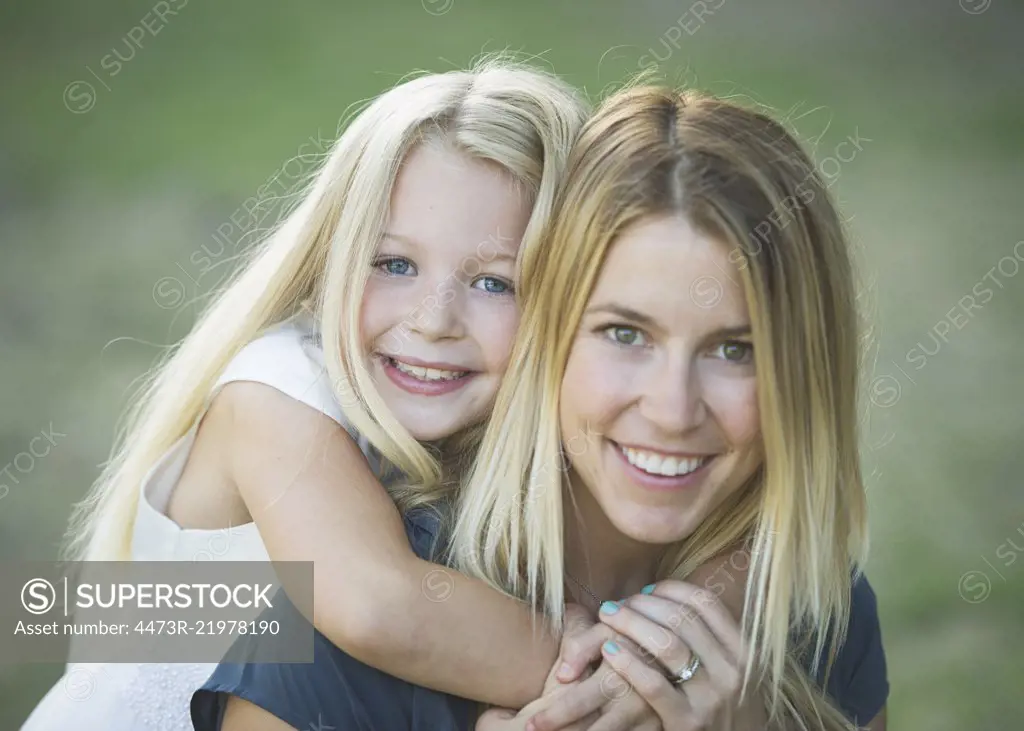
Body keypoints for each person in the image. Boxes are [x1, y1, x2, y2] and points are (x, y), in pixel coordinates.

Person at [193, 84, 887, 731]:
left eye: (737, 349)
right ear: (546, 332)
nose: (674, 410)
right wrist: (597, 673)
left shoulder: (815, 607)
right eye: (624, 333)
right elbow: (106, 610)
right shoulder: (336, 601)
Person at [20, 57, 588, 731]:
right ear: (332, 262)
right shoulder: (276, 391)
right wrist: (616, 670)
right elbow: (381, 608)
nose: (434, 319)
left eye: (497, 282)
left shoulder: (524, 437)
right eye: (394, 264)